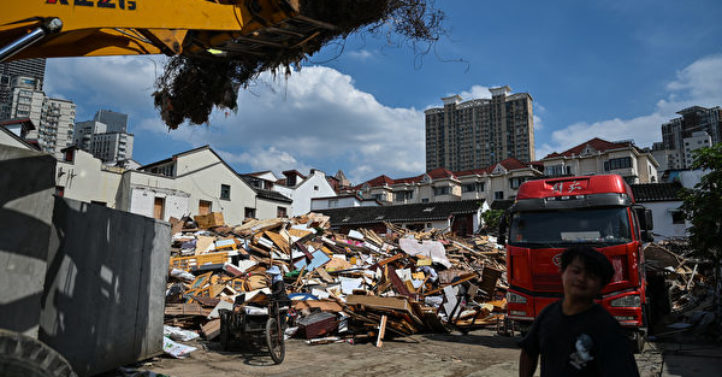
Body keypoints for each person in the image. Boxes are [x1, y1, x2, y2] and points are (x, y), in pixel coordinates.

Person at [518, 246, 640, 377]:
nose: (582, 279)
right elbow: (528, 351)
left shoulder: (608, 329)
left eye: (591, 276)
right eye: (576, 271)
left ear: (601, 285)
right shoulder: (548, 314)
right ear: (562, 272)